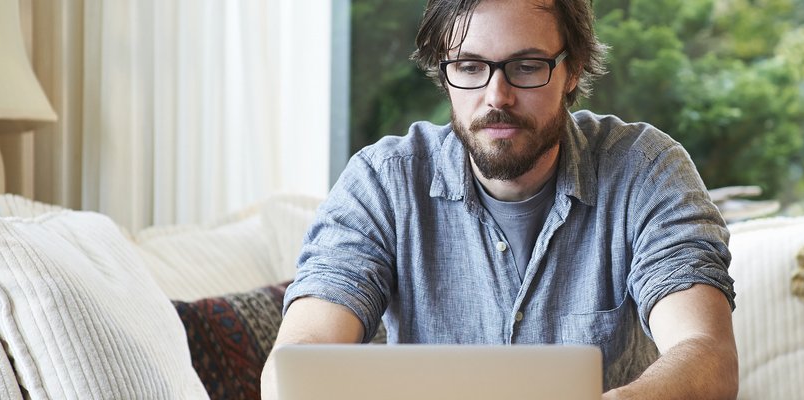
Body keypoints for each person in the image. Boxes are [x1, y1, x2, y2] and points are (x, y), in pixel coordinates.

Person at [261, 0, 737, 398]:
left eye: (526, 66)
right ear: (445, 74)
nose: (497, 96)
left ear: (571, 70)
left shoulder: (645, 169)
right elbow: (299, 360)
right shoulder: (382, 184)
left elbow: (706, 352)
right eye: (470, 67)